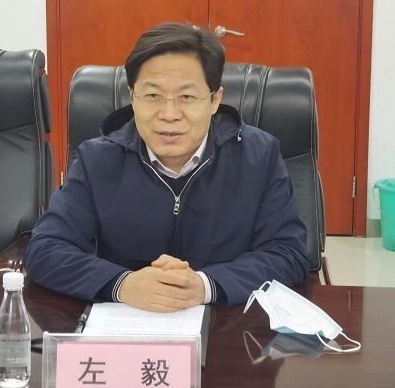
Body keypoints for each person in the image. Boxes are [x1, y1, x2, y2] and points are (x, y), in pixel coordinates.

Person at [24, 22, 309, 312]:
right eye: (152, 96)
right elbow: (45, 249)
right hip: (126, 322)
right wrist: (122, 284)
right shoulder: (97, 160)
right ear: (132, 96)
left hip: (228, 323)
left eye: (187, 97)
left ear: (215, 100)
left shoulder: (259, 156)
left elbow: (288, 253)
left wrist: (205, 285)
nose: (169, 114)